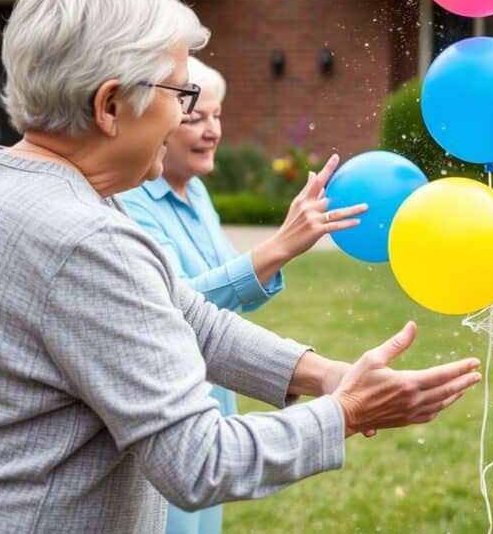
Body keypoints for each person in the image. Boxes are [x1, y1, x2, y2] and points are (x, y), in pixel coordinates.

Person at [0, 0, 481, 532]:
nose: (185, 115)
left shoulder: (2, 183)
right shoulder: (84, 240)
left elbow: (187, 318)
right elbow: (200, 461)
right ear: (110, 106)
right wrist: (346, 413)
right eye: (180, 93)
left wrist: (325, 375)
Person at [117, 56, 359, 534]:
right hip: (166, 410)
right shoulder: (129, 203)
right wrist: (279, 245)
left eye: (218, 115)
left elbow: (234, 296)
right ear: (160, 122)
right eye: (195, 117)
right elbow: (177, 309)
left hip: (215, 394)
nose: (212, 131)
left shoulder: (197, 193)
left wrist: (282, 249)